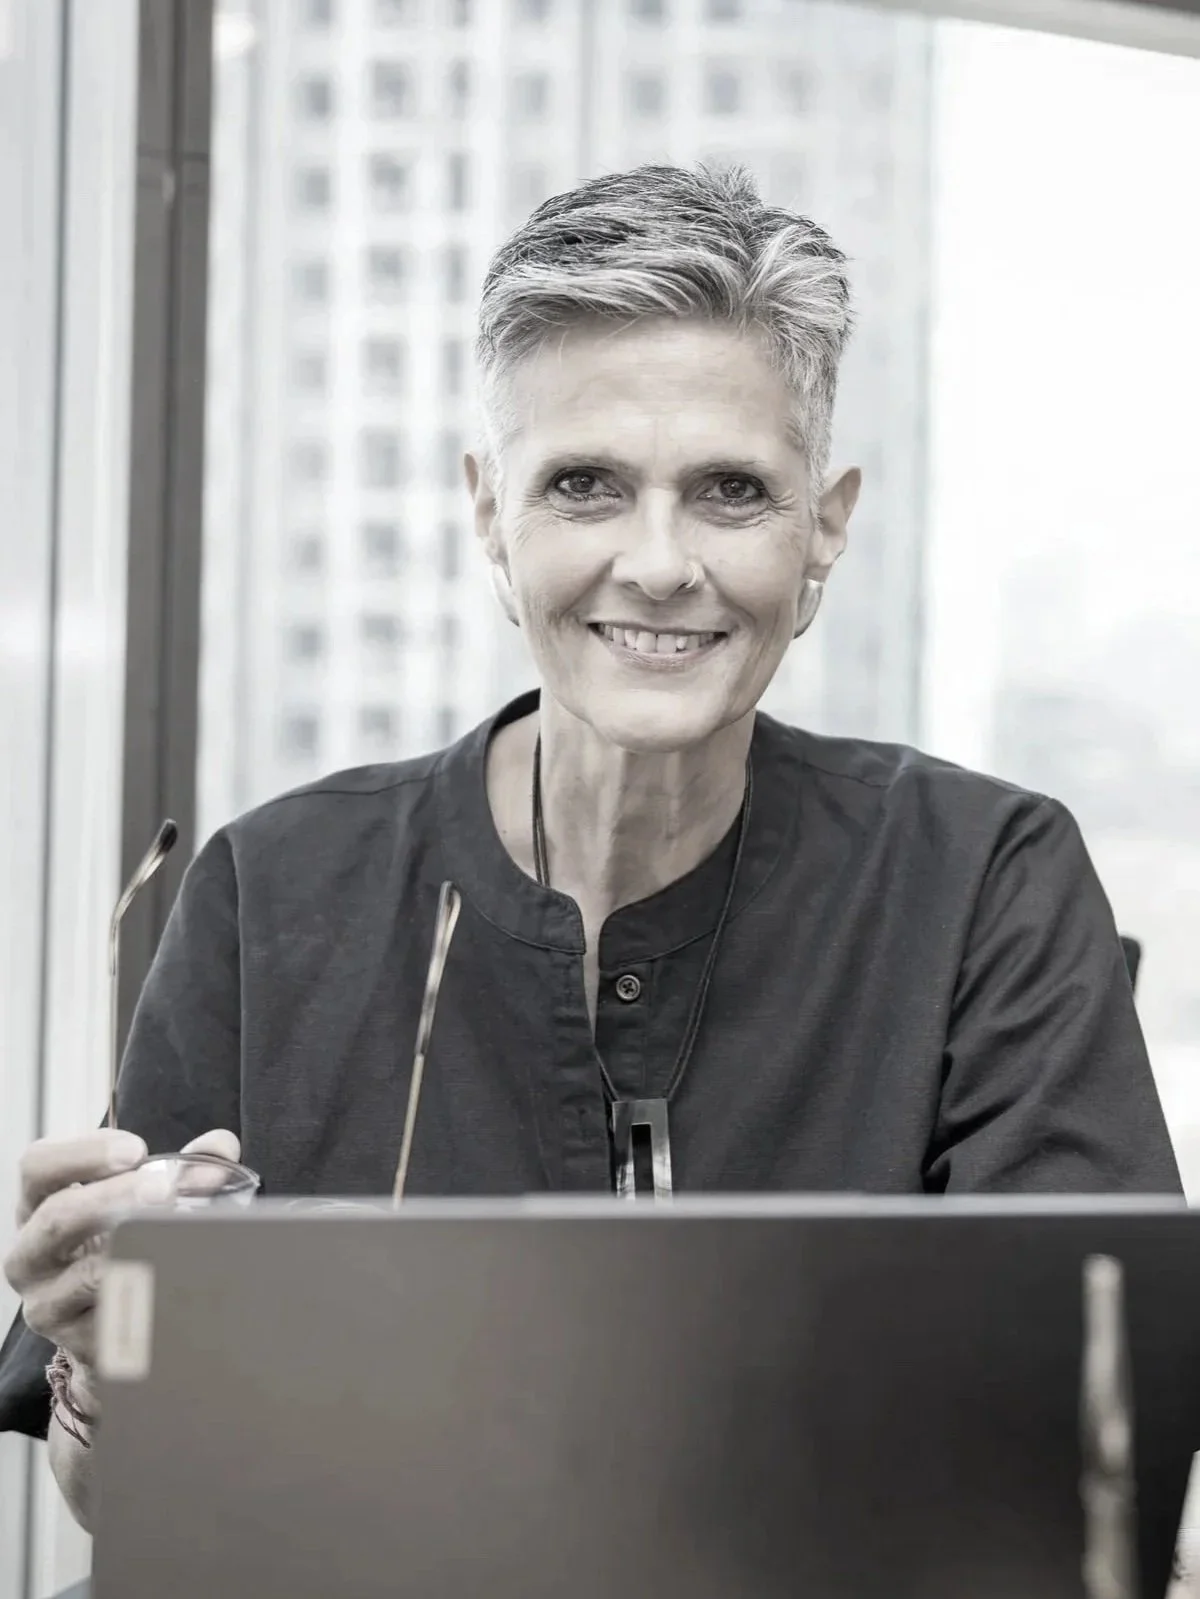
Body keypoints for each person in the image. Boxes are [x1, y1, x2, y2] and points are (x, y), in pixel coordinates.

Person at [1, 163, 1181, 1531]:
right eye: (585, 485)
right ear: (490, 513)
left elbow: (1099, 1465)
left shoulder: (988, 882)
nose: (661, 560)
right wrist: (99, 1358)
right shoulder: (271, 892)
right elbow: (131, 1504)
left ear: (827, 528)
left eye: (733, 489)